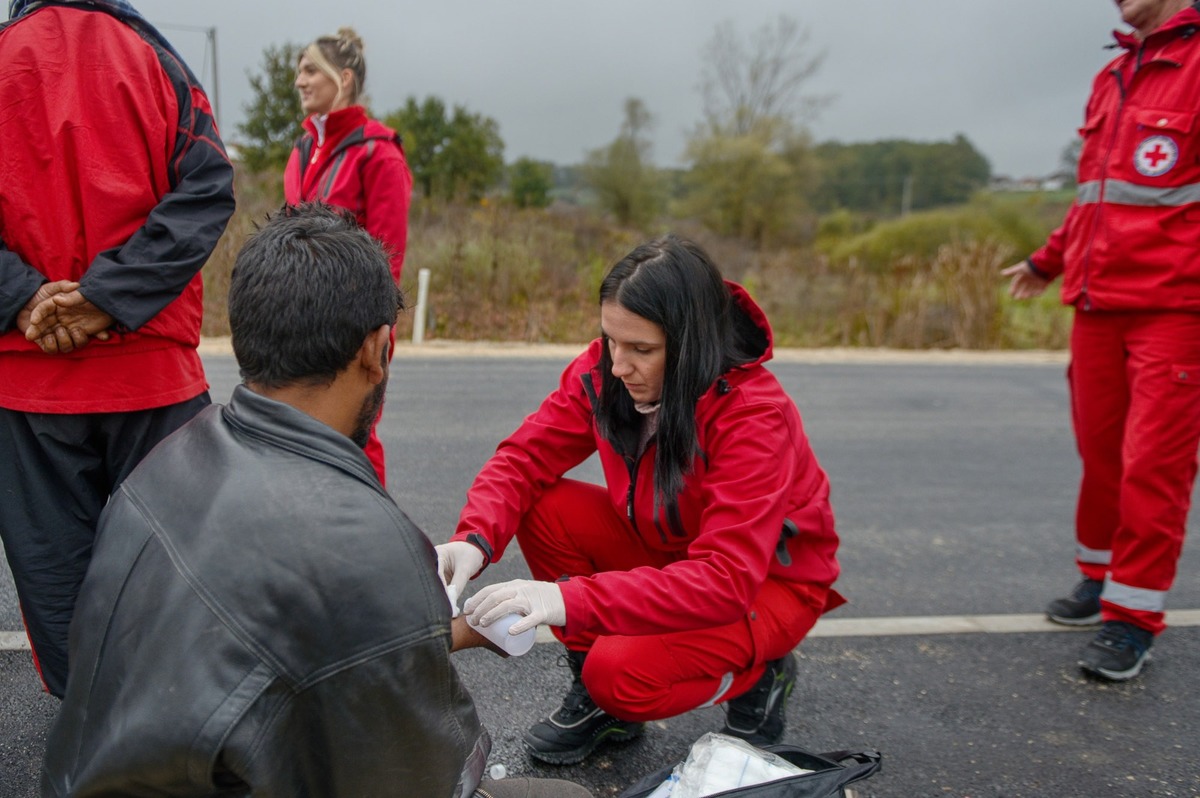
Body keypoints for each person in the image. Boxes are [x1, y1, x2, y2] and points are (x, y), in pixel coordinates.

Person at [42, 204, 591, 798]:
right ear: (377, 350)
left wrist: (429, 626)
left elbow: (264, 643)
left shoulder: (167, 461)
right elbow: (420, 775)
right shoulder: (358, 539)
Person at [436, 235, 845, 765]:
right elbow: (524, 458)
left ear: (691, 343)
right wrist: (473, 539)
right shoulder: (605, 368)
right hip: (676, 552)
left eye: (642, 350)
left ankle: (760, 676)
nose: (619, 365)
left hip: (762, 586)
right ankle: (605, 709)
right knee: (543, 507)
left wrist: (568, 600)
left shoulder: (754, 415)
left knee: (620, 673)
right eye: (610, 340)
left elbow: (725, 579)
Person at [0, 0, 235, 697]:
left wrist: (25, 297)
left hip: (28, 383)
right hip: (153, 380)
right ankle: (174, 735)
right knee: (175, 579)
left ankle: (94, 740)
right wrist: (109, 298)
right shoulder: (152, 54)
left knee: (61, 589)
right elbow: (209, 186)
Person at [1003, 0, 1200, 681]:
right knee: (1103, 454)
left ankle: (1132, 619)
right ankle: (1100, 575)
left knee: (1154, 464)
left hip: (1175, 307)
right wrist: (1046, 259)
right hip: (1096, 301)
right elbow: (1095, 195)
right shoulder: (1113, 72)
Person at [284, 25, 413, 487]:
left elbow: (388, 259)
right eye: (298, 70)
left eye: (309, 70)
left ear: (342, 78)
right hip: (299, 322)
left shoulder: (378, 154)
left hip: (356, 328)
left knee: (353, 440)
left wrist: (375, 336)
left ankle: (370, 545)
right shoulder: (302, 150)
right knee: (299, 440)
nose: (299, 81)